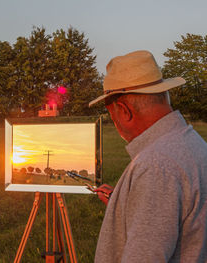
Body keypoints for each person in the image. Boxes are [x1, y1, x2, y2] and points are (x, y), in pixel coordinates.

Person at [88, 50, 207, 262]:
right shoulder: (190, 141)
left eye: (112, 114)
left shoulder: (155, 166)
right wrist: (132, 204)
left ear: (124, 111)